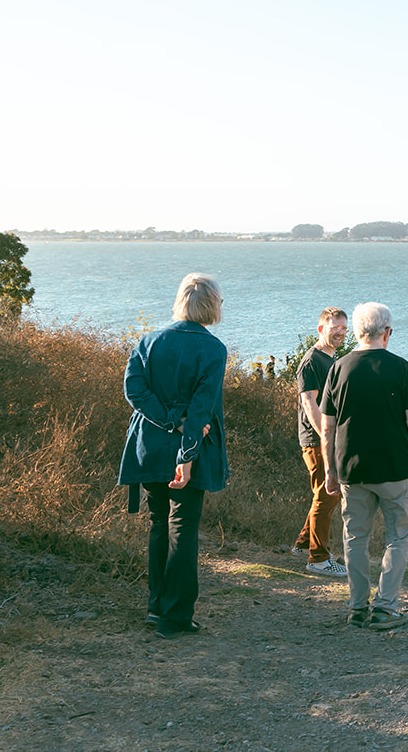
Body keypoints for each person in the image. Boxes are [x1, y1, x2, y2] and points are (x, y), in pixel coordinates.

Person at [118, 273, 229, 639]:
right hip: (187, 450)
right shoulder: (212, 349)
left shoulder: (149, 340)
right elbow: (201, 409)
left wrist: (167, 421)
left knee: (158, 523)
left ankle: (156, 606)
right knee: (181, 526)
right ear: (212, 304)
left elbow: (134, 389)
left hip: (148, 445)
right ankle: (175, 617)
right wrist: (186, 446)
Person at [321, 302, 408, 631]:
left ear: (356, 332)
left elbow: (327, 427)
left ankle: (357, 607)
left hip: (351, 469)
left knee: (354, 537)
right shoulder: (399, 368)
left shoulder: (338, 368)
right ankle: (384, 607)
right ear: (387, 332)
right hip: (395, 468)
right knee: (399, 536)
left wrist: (330, 469)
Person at [292, 308, 349, 578]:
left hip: (326, 437)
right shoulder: (312, 361)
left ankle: (304, 545)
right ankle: (318, 560)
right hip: (316, 439)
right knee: (328, 494)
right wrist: (328, 437)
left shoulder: (331, 358)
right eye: (335, 327)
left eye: (344, 328)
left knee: (322, 493)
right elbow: (309, 402)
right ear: (321, 329)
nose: (340, 332)